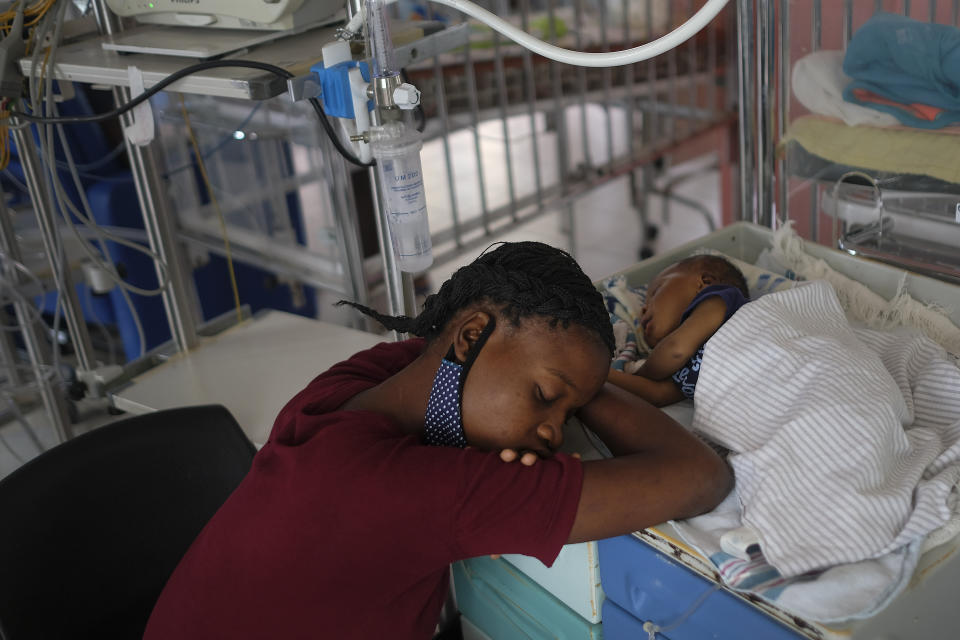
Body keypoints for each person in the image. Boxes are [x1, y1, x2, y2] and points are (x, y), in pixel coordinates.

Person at [143, 242, 732, 640]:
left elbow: (443, 356)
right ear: (472, 334)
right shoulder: (408, 493)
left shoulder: (359, 383)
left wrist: (573, 379)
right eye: (548, 396)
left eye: (568, 409)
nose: (555, 432)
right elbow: (701, 477)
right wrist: (596, 385)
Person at [607, 254, 749, 407]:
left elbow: (676, 349)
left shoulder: (723, 298)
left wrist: (641, 371)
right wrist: (602, 374)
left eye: (655, 292)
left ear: (705, 282)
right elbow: (657, 394)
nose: (643, 309)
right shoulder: (685, 366)